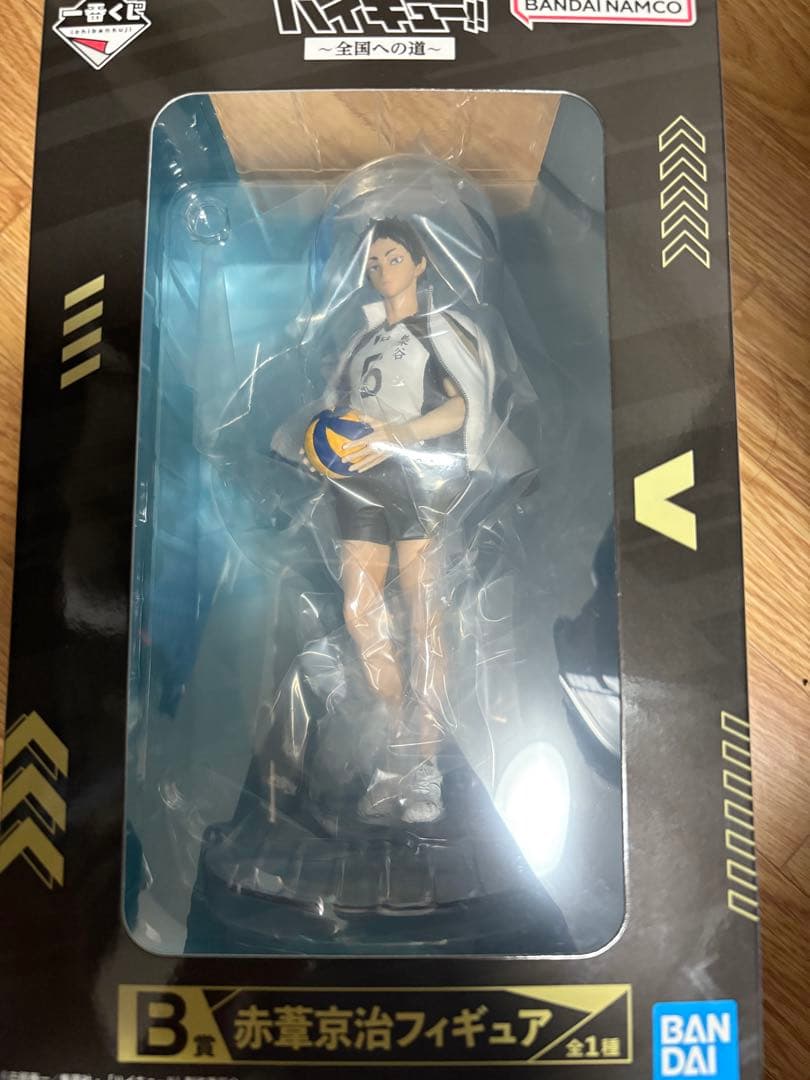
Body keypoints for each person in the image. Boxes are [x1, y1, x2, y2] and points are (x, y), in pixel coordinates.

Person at [303, 216, 498, 824]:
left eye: (393, 257)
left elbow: (465, 407)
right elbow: (338, 410)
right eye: (373, 262)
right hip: (359, 482)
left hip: (417, 478)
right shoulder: (361, 341)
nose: (381, 269)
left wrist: (400, 435)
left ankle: (425, 762)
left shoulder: (440, 329)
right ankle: (400, 744)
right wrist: (320, 445)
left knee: (424, 617)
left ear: (419, 264)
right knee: (359, 613)